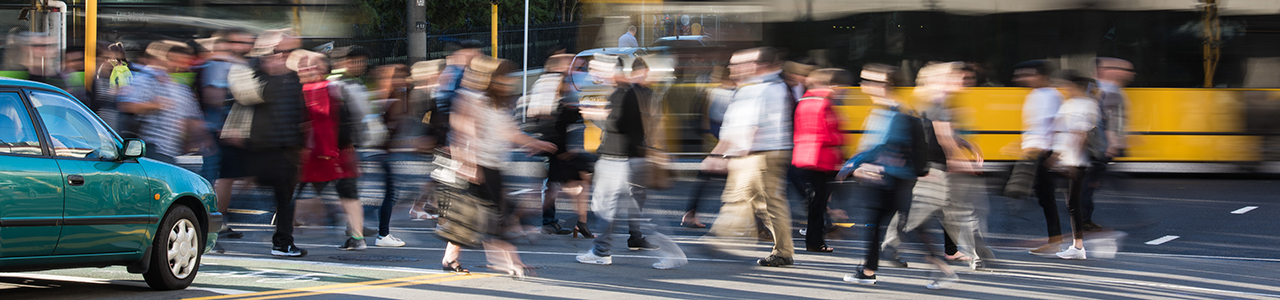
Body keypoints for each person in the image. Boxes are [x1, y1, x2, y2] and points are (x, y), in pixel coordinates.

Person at [841, 64, 957, 289]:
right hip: (892, 178)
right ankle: (868, 270)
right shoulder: (887, 109)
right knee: (893, 226)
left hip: (890, 179)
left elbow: (881, 144)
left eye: (871, 81)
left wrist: (851, 164)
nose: (865, 85)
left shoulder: (893, 112)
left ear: (886, 85)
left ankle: (871, 271)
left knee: (894, 226)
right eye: (865, 80)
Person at [442, 56, 556, 277]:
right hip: (477, 167)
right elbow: (460, 132)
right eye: (502, 78)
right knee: (493, 216)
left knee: (471, 217)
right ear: (489, 78)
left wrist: (535, 143)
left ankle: (450, 258)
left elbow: (509, 132)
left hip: (493, 165)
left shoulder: (499, 102)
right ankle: (508, 261)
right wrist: (467, 164)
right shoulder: (471, 98)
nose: (507, 82)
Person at [878, 62, 995, 270]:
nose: (962, 81)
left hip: (933, 165)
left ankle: (977, 255)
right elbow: (942, 137)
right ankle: (978, 256)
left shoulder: (935, 100)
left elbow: (944, 134)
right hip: (935, 167)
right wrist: (959, 162)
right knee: (928, 211)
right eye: (956, 77)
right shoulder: (935, 101)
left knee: (952, 211)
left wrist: (966, 145)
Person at [575, 56, 687, 269]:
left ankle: (605, 251)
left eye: (599, 70)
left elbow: (618, 125)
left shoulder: (624, 93)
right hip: (624, 159)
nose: (597, 74)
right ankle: (602, 251)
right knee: (614, 209)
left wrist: (594, 115)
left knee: (621, 209)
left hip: (619, 161)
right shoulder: (629, 92)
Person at [702, 47, 795, 267]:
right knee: (757, 201)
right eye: (733, 65)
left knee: (761, 201)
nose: (734, 68)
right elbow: (735, 124)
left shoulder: (768, 88)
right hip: (752, 153)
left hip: (762, 154)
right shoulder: (751, 87)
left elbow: (751, 126)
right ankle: (728, 238)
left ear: (759, 65)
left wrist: (726, 154)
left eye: (740, 64)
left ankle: (724, 238)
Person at [292, 51, 367, 250]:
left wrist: (329, 148)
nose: (305, 67)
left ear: (322, 69)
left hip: (320, 151)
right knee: (347, 194)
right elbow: (347, 116)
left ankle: (284, 234)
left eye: (310, 64)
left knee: (295, 192)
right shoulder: (331, 87)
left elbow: (325, 120)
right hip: (336, 151)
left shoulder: (317, 88)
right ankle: (357, 236)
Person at [529, 53, 594, 237]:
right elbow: (556, 113)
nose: (574, 67)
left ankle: (570, 222)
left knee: (562, 183)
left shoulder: (547, 81)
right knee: (566, 184)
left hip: (558, 141)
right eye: (570, 63)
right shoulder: (556, 82)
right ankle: (525, 218)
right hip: (559, 142)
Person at [117, 40, 207, 164]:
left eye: (185, 61)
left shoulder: (181, 88)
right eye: (177, 60)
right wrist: (155, 105)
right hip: (152, 146)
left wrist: (196, 142)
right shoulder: (146, 80)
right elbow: (127, 105)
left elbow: (192, 120)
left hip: (171, 149)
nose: (182, 65)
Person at [792, 68, 851, 253]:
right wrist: (842, 138)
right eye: (843, 87)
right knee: (819, 202)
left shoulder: (805, 100)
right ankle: (815, 241)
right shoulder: (825, 103)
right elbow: (827, 134)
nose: (844, 91)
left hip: (805, 156)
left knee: (817, 203)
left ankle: (816, 239)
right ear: (833, 85)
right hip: (822, 159)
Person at [1013, 60, 1067, 256]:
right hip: (1035, 152)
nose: (1024, 78)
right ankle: (1055, 239)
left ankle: (1057, 240)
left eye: (1029, 74)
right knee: (1044, 197)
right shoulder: (1035, 95)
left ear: (1042, 76)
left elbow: (1055, 124)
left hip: (1043, 152)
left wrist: (1052, 154)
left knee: (1046, 198)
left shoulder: (1050, 95)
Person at [1049, 70, 1103, 260]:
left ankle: (1078, 247)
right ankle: (1076, 246)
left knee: (1073, 203)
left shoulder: (1083, 105)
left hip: (1074, 161)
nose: (1064, 88)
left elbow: (1081, 134)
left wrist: (1067, 158)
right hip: (1070, 159)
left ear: (1074, 86)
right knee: (1071, 203)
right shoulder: (1074, 103)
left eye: (1067, 85)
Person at [1080, 57, 1134, 231]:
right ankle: (1082, 218)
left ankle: (1083, 216)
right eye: (1122, 69)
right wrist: (1113, 143)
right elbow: (1110, 120)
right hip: (1098, 147)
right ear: (1104, 70)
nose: (1127, 74)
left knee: (1089, 183)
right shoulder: (1110, 90)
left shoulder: (1092, 88)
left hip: (1091, 145)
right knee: (1089, 184)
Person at [683, 66, 734, 228]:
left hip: (713, 139)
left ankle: (690, 213)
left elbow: (703, 117)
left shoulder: (711, 92)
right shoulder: (735, 93)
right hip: (726, 141)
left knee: (705, 180)